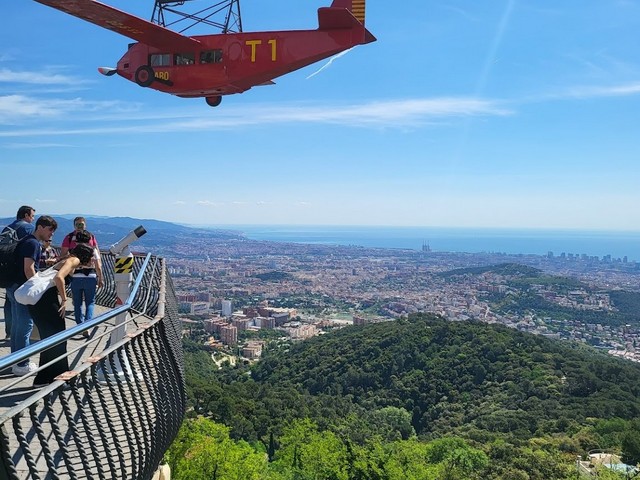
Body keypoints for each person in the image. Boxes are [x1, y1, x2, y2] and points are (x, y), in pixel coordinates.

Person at [29, 243, 95, 386]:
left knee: (50, 341)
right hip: (48, 304)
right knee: (58, 340)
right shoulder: (74, 260)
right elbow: (59, 277)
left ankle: (44, 378)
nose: (92, 259)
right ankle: (59, 377)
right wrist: (64, 300)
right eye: (91, 256)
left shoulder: (67, 259)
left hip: (39, 303)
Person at [6, 215, 57, 376]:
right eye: (50, 230)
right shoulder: (33, 243)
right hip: (22, 288)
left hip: (12, 285)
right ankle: (22, 364)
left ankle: (14, 359)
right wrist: (36, 287)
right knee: (25, 326)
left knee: (17, 325)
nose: (51, 234)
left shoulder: (25, 240)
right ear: (40, 227)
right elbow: (29, 268)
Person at [2, 206, 36, 340]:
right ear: (26, 215)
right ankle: (21, 344)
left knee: (9, 302)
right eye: (32, 216)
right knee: (22, 312)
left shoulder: (8, 228)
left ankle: (10, 331)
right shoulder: (27, 228)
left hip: (6, 270)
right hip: (19, 272)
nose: (32, 219)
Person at [69, 230, 103, 336]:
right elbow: (98, 266)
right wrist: (100, 278)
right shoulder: (93, 251)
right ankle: (87, 325)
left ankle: (80, 324)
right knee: (90, 302)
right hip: (90, 277)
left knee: (77, 303)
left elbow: (70, 266)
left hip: (76, 277)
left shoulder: (73, 251)